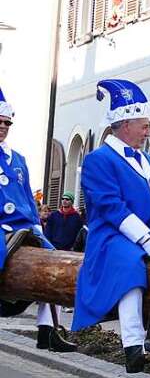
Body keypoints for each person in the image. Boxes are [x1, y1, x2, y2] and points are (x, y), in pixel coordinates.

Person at [71, 80, 150, 373]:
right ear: (123, 125)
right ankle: (133, 345)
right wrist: (147, 241)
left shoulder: (147, 159)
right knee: (130, 265)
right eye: (143, 126)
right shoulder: (98, 160)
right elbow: (111, 208)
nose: (148, 132)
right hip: (112, 236)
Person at [0, 87, 75, 353]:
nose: (3, 127)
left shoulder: (17, 159)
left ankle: (48, 331)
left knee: (52, 263)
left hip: (24, 224)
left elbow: (27, 195)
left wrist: (34, 223)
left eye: (7, 122)